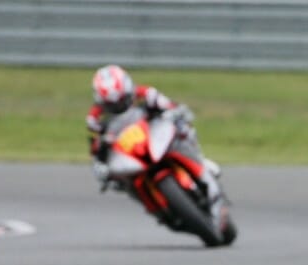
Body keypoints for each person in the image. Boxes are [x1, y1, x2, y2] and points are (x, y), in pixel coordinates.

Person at [86, 64, 220, 197]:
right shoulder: (95, 118)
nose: (119, 107)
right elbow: (95, 146)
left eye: (122, 101)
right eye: (112, 105)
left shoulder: (145, 94)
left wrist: (175, 112)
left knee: (182, 127)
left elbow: (169, 105)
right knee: (117, 181)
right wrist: (100, 162)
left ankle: (199, 160)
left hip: (153, 136)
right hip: (128, 153)